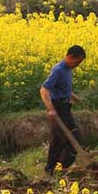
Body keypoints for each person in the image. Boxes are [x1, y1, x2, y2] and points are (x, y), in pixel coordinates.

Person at [40, 45, 86, 177]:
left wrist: (74, 97)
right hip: (57, 108)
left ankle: (55, 169)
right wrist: (51, 109)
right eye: (77, 62)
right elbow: (44, 89)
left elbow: (61, 89)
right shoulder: (58, 69)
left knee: (67, 138)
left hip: (65, 107)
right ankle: (54, 170)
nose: (77, 65)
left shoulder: (68, 69)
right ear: (70, 57)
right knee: (64, 139)